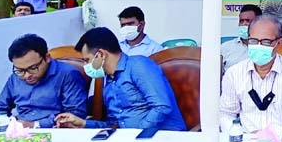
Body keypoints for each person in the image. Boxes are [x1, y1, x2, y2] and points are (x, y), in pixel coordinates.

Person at [55, 27, 186, 131]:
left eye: (86, 60)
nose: (85, 66)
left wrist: (133, 135)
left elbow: (161, 106)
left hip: (163, 138)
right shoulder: (109, 82)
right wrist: (83, 123)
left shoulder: (138, 66)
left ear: (100, 54)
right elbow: (115, 126)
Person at [219, 15, 282, 135]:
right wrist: (239, 134)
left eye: (266, 42)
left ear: (279, 43)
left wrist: (275, 133)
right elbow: (226, 113)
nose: (259, 46)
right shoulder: (234, 74)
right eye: (253, 41)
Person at [0, 34, 87, 128]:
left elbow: (75, 115)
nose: (27, 75)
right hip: (19, 131)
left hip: (54, 131)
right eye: (20, 70)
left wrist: (35, 125)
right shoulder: (15, 78)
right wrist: (7, 122)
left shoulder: (67, 74)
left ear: (47, 58)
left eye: (33, 68)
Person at [221, 4, 262, 73]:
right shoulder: (225, 47)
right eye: (241, 21)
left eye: (248, 21)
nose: (244, 24)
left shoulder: (265, 48)